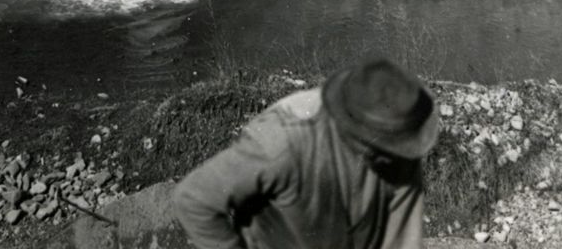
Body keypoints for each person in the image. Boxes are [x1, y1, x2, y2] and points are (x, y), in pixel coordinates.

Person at [174, 58, 439, 249]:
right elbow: (194, 200)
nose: (395, 156)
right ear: (355, 127)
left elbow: (401, 237)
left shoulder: (401, 133)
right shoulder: (285, 141)